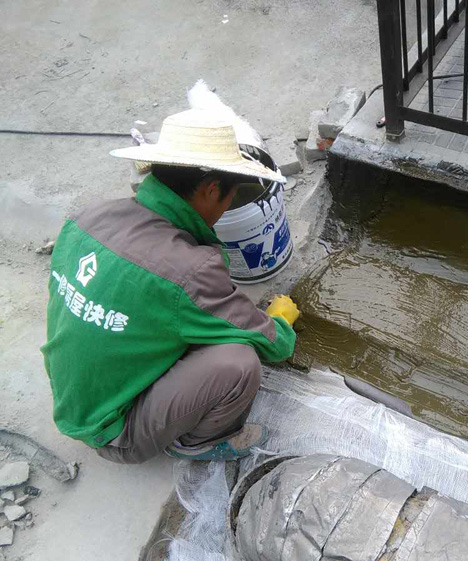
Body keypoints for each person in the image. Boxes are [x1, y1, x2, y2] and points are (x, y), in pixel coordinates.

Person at [41, 109, 300, 463]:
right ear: (211, 190)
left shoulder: (90, 217)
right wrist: (280, 321)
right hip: (115, 430)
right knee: (239, 362)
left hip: (76, 398)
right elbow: (272, 344)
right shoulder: (189, 270)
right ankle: (197, 442)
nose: (226, 209)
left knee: (180, 318)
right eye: (229, 197)